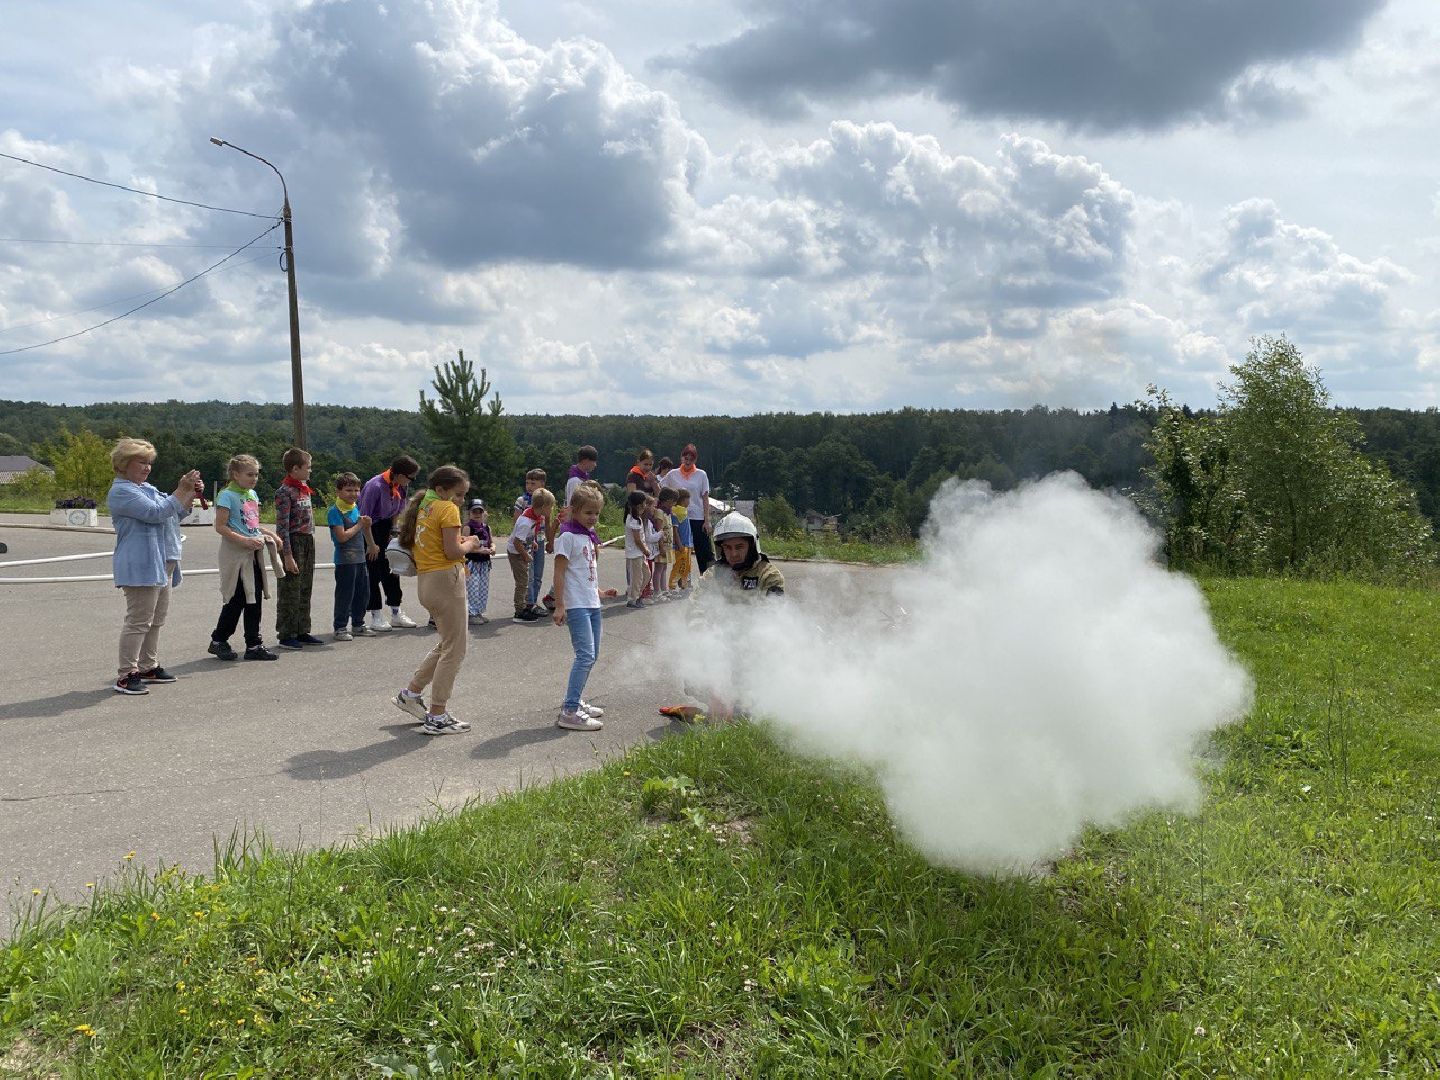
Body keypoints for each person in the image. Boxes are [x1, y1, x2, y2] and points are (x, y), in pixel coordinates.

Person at [391, 465, 481, 735]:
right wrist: (472, 544)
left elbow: (437, 543)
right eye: (458, 494)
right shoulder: (446, 508)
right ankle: (438, 715)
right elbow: (453, 551)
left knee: (446, 644)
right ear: (441, 489)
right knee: (455, 650)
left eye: (464, 495)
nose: (461, 501)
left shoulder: (424, 505)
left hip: (427, 582)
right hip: (446, 581)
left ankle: (412, 693)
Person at [107, 438, 199, 695]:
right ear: (124, 464)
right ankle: (126, 674)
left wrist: (189, 494)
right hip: (142, 563)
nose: (147, 468)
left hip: (163, 562)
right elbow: (155, 513)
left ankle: (148, 665)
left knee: (156, 619)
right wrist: (180, 490)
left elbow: (173, 514)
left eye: (149, 463)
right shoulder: (122, 491)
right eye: (141, 462)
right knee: (138, 621)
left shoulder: (147, 488)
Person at [209, 453, 285, 662]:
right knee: (236, 599)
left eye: (256, 475)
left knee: (255, 599)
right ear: (235, 474)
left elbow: (252, 524)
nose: (254, 479)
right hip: (236, 554)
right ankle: (219, 640)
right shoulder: (226, 495)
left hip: (254, 553)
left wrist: (271, 535)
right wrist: (243, 541)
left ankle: (254, 644)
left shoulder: (251, 494)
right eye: (250, 474)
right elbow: (221, 526)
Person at [552, 484, 607, 731]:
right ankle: (570, 711)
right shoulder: (567, 537)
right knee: (585, 656)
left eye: (596, 513)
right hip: (575, 606)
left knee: (592, 656)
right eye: (588, 513)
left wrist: (600, 592)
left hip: (591, 602)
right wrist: (559, 605)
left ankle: (575, 701)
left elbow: (586, 572)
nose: (593, 517)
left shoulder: (587, 536)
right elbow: (560, 572)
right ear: (574, 511)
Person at [359, 455, 421, 632]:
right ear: (400, 474)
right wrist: (371, 544)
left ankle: (396, 611)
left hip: (387, 529)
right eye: (411, 477)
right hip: (371, 528)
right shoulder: (375, 486)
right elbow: (365, 518)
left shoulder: (401, 486)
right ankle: (376, 615)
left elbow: (397, 510)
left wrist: (394, 531)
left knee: (393, 570)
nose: (411, 481)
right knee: (373, 572)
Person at [274, 447, 324, 649]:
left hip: (307, 540)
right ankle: (286, 633)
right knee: (290, 589)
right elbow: (282, 526)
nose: (310, 471)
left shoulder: (303, 487)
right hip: (292, 541)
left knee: (305, 587)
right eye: (307, 467)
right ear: (295, 468)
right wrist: (287, 555)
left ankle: (303, 629)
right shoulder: (284, 492)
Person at [328, 471, 379, 641]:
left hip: (360, 558)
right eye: (349, 490)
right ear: (339, 492)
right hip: (345, 561)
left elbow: (365, 527)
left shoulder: (355, 508)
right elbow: (342, 537)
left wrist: (371, 545)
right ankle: (340, 627)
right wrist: (359, 524)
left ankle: (358, 623)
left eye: (357, 490)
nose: (354, 494)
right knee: (345, 594)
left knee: (362, 593)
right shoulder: (335, 511)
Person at [661, 443, 712, 574]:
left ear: (695, 460)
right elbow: (661, 490)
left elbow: (705, 498)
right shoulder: (673, 474)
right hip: (679, 517)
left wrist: (707, 520)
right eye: (685, 457)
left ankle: (708, 577)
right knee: (682, 549)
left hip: (698, 517)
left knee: (704, 550)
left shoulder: (701, 475)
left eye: (691, 458)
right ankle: (683, 580)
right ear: (681, 458)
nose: (688, 461)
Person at [508, 487, 555, 622]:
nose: (551, 510)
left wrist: (533, 541)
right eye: (550, 507)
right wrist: (525, 555)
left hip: (524, 549)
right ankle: (520, 611)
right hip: (517, 553)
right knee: (522, 582)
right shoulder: (526, 522)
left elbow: (530, 533)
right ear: (543, 507)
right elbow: (517, 542)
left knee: (527, 581)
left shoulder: (534, 515)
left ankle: (526, 606)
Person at [463, 498, 494, 625]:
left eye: (479, 511)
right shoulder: (467, 527)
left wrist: (492, 549)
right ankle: (471, 613)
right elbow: (464, 547)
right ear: (469, 513)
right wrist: (479, 551)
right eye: (474, 511)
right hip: (472, 563)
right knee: (473, 589)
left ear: (484, 513)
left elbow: (491, 543)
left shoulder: (487, 528)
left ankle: (479, 612)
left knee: (482, 589)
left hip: (484, 563)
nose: (477, 514)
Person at [622, 489, 652, 608]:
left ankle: (637, 595)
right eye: (645, 503)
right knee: (637, 577)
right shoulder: (633, 519)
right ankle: (632, 599)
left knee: (646, 575)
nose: (646, 506)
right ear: (640, 505)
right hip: (635, 553)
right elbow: (637, 540)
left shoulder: (636, 518)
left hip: (639, 553)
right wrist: (645, 550)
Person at [668, 488, 695, 592]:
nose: (689, 502)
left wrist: (690, 543)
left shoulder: (683, 512)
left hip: (687, 544)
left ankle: (684, 585)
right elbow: (675, 531)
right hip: (681, 544)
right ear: (683, 500)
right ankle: (672, 586)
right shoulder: (676, 513)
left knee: (687, 566)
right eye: (688, 499)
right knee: (679, 565)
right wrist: (679, 544)